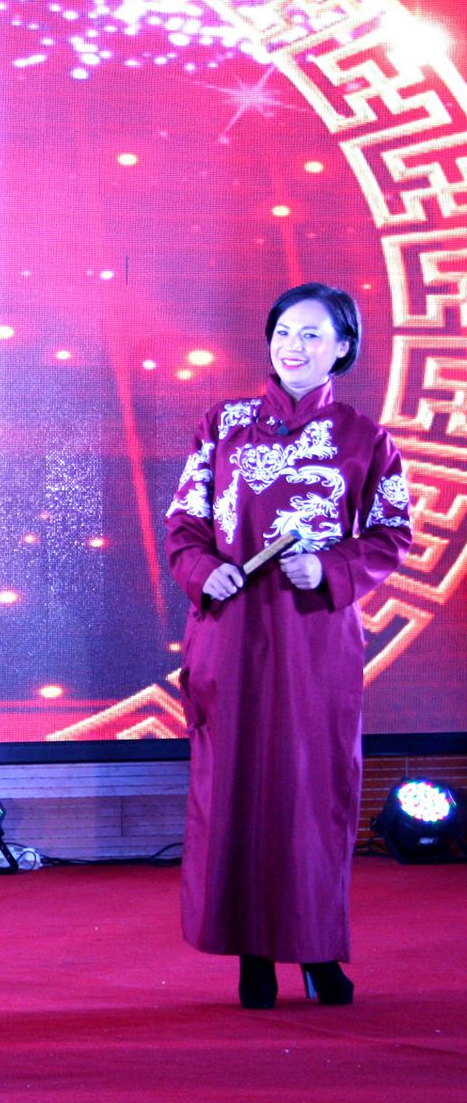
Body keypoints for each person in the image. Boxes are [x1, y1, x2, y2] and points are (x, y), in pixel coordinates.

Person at [164, 282, 411, 1009]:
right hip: (232, 631)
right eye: (283, 332)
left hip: (314, 638)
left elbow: (392, 534)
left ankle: (317, 949)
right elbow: (184, 525)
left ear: (343, 346)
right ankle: (251, 955)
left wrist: (331, 568)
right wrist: (205, 572)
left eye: (312, 334)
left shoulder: (366, 439)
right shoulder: (223, 425)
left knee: (313, 791)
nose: (293, 346)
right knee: (234, 789)